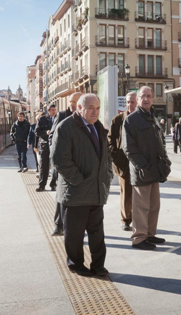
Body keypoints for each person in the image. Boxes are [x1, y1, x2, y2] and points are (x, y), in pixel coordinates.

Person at [51, 93, 112, 277]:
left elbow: (106, 157)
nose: (95, 112)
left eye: (98, 108)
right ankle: (76, 264)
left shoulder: (98, 127)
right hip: (75, 193)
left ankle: (98, 265)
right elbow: (59, 160)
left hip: (95, 192)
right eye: (91, 108)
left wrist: (107, 175)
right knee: (74, 234)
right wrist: (78, 180)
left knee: (97, 234)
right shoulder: (66, 127)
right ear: (79, 108)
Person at [123, 86, 171, 250]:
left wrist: (165, 161)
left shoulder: (153, 117)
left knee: (153, 206)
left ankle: (150, 234)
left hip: (155, 170)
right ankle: (138, 238)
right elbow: (128, 148)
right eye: (143, 96)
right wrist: (143, 166)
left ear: (153, 98)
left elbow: (161, 142)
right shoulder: (131, 120)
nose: (146, 99)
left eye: (149, 96)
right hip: (142, 171)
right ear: (137, 98)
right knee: (141, 207)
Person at [48, 92, 83, 236]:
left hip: (80, 164)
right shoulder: (62, 115)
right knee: (61, 196)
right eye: (73, 102)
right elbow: (52, 137)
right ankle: (58, 225)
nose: (74, 105)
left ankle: (76, 226)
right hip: (64, 165)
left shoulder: (84, 117)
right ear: (69, 102)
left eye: (77, 102)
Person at [108, 91, 137, 232]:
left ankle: (139, 219)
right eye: (128, 102)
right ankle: (126, 220)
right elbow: (110, 140)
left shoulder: (143, 118)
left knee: (141, 194)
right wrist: (116, 157)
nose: (130, 105)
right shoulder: (117, 120)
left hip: (140, 163)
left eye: (132, 102)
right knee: (126, 192)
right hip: (123, 162)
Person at [35, 105, 57, 191]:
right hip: (45, 146)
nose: (54, 112)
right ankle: (41, 185)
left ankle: (53, 184)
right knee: (44, 166)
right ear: (48, 110)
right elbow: (37, 132)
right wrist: (45, 132)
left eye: (55, 110)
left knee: (55, 166)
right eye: (52, 110)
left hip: (56, 145)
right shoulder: (42, 119)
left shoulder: (58, 119)